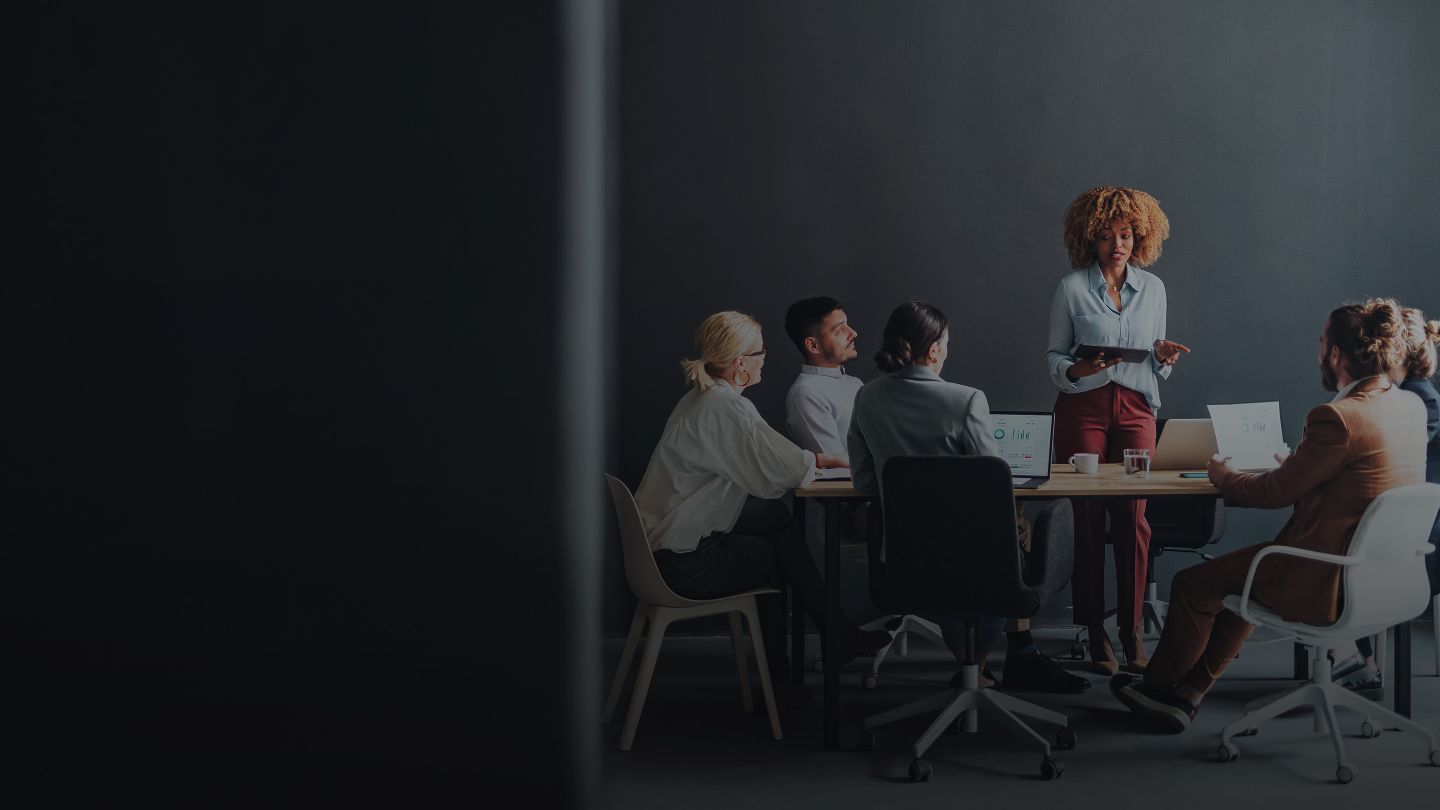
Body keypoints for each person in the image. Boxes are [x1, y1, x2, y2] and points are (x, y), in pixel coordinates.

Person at [1112, 299, 1425, 732]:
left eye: (1320, 342)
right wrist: (1297, 465)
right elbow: (1360, 478)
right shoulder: (1408, 406)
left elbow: (1274, 493)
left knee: (1192, 585)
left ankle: (1155, 687)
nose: (1318, 350)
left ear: (1335, 353)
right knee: (1241, 586)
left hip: (1325, 577)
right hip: (1385, 576)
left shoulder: (1338, 417)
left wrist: (1226, 476)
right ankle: (1188, 694)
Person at [634, 310, 891, 696]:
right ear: (740, 363)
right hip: (680, 565)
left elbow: (776, 463)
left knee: (773, 519)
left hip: (657, 550)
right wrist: (830, 460)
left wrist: (820, 460)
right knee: (776, 557)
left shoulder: (700, 399)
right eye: (760, 351)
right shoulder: (727, 408)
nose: (765, 357)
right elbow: (785, 470)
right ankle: (795, 670)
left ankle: (804, 658)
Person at [849, 301, 1090, 693]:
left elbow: (863, 479)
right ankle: (986, 664)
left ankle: (973, 669)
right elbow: (991, 483)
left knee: (964, 565)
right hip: (978, 560)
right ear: (933, 350)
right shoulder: (966, 400)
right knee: (1013, 531)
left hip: (904, 558)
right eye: (945, 343)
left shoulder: (867, 398)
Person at [1045, 186, 1191, 675]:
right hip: (1083, 406)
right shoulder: (1070, 288)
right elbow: (1054, 358)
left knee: (1133, 519)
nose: (1117, 245)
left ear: (1139, 237)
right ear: (1091, 238)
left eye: (1126, 235)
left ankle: (1131, 632)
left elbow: (1156, 359)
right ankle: (1093, 632)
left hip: (1136, 408)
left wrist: (1164, 357)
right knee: (1085, 518)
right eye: (1107, 236)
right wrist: (1083, 370)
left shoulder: (1154, 289)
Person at [1329, 304, 1440, 697]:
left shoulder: (1416, 401)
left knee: (1330, 537)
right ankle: (1347, 655)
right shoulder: (1397, 397)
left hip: (1415, 537)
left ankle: (1351, 657)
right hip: (1395, 524)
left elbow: (1390, 461)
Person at [784, 296, 862, 462]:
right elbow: (836, 465)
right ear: (813, 345)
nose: (853, 333)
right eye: (840, 330)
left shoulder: (855, 383)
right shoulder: (806, 394)